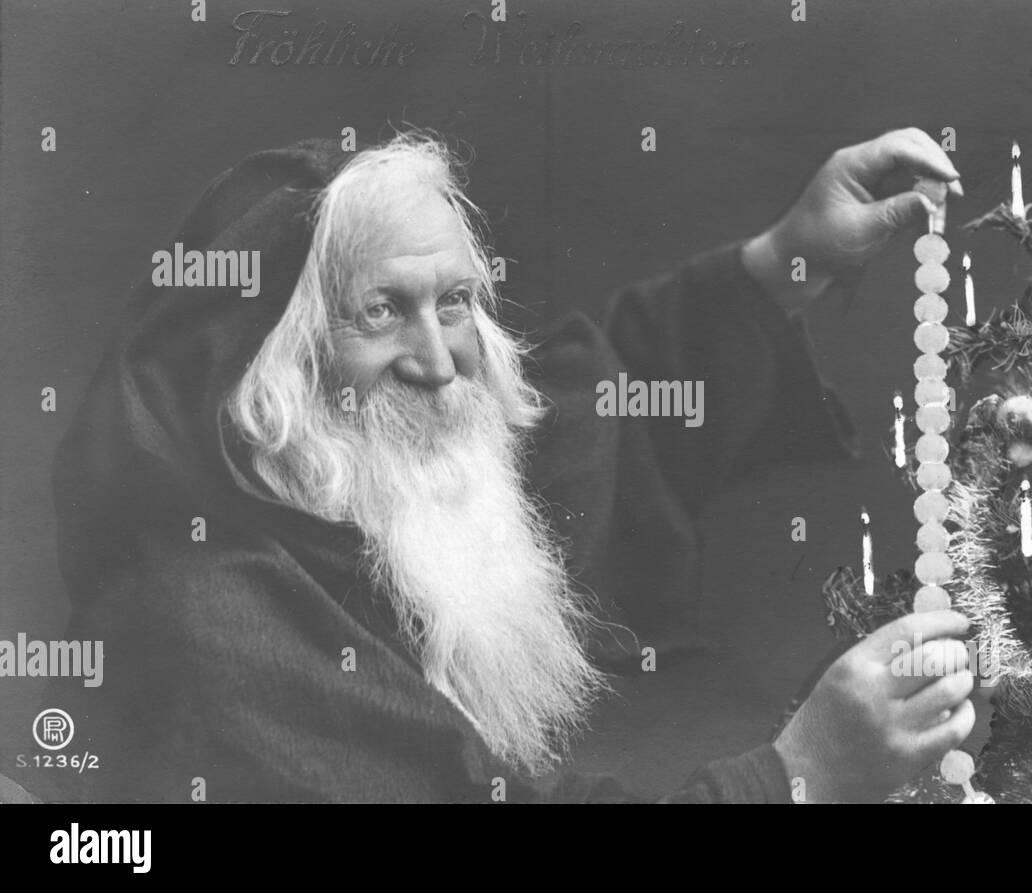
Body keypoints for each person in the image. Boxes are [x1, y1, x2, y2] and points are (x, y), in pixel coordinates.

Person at [26, 127, 973, 803]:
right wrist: (795, 779)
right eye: (379, 311)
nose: (439, 363)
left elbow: (596, 414)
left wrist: (789, 258)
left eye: (454, 302)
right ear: (272, 369)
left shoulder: (378, 458)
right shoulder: (212, 636)